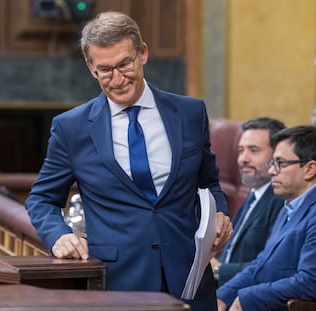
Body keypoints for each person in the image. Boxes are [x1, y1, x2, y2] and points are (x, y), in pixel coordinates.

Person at [25, 11, 232, 311]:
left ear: (143, 53)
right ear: (90, 68)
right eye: (105, 70)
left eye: (125, 64)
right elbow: (42, 198)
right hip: (117, 284)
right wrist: (58, 235)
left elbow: (208, 183)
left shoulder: (190, 113)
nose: (118, 79)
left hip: (190, 279)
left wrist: (220, 213)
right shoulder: (71, 128)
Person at [217, 125, 316, 311]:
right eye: (272, 163)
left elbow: (311, 282)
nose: (272, 171)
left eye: (280, 163)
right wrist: (224, 295)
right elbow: (260, 265)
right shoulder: (288, 206)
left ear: (310, 169)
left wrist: (246, 299)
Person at [211, 117, 285, 287]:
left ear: (277, 155)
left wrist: (218, 270)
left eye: (253, 150)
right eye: (241, 150)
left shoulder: (281, 200)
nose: (243, 159)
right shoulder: (254, 193)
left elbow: (272, 265)